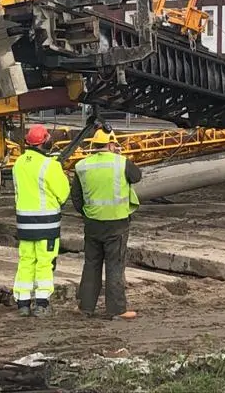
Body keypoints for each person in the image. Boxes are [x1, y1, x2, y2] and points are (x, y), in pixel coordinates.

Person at [71, 125, 141, 320]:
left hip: (92, 223)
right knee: (115, 265)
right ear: (111, 145)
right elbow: (137, 176)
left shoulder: (82, 165)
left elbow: (76, 196)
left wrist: (86, 214)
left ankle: (85, 307)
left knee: (91, 264)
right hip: (116, 223)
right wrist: (120, 155)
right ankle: (117, 309)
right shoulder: (121, 163)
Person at [12, 124, 70, 317]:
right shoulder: (50, 165)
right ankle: (42, 303)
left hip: (24, 223)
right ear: (44, 142)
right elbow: (63, 193)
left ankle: (22, 303)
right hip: (46, 223)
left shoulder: (19, 163)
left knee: (26, 260)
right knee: (45, 262)